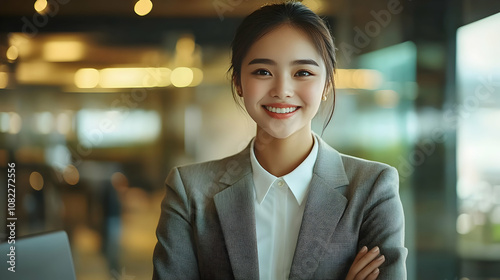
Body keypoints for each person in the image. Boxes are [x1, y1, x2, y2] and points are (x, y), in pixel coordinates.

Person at [152, 2, 407, 279]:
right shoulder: (190, 192)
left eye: (303, 73)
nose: (282, 90)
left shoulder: (371, 190)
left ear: (327, 85)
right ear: (238, 81)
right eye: (263, 71)